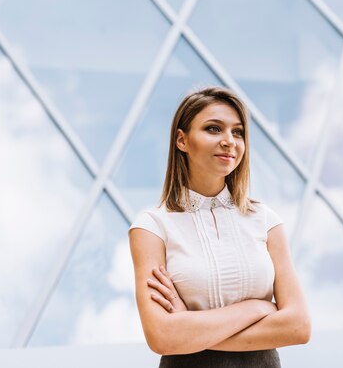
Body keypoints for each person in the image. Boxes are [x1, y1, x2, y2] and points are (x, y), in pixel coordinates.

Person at [128, 87, 310, 367]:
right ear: (182, 140)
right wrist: (257, 308)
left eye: (237, 132)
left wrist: (189, 330)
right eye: (214, 129)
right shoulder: (152, 227)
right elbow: (162, 337)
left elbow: (298, 327)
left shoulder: (266, 220)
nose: (229, 141)